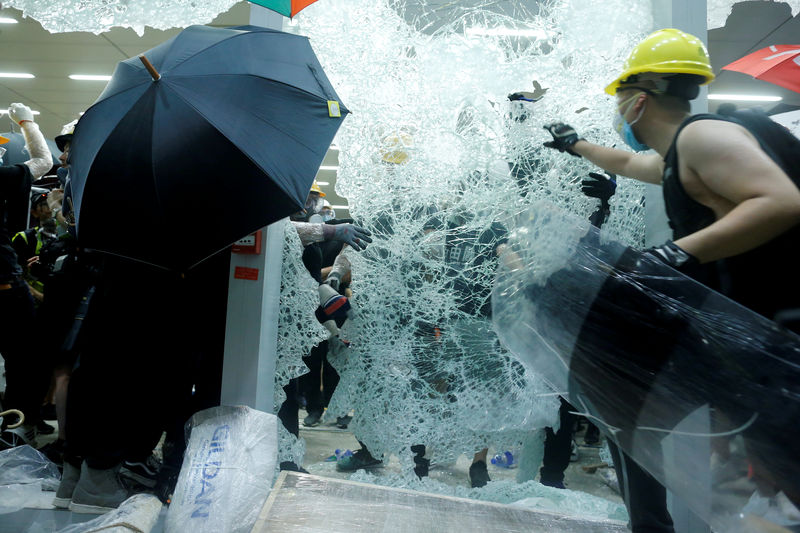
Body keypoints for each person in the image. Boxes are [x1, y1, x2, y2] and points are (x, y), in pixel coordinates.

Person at [544, 28, 800, 531]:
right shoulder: (680, 152)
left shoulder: (703, 135)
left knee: (780, 476)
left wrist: (673, 253)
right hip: (747, 333)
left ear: (640, 99)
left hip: (774, 336)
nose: (618, 113)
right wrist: (577, 146)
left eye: (619, 101)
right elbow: (631, 162)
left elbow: (780, 201)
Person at [0, 103, 53, 448]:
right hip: (5, 286)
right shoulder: (2, 177)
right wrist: (27, 122)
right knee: (26, 359)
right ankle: (16, 427)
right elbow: (43, 161)